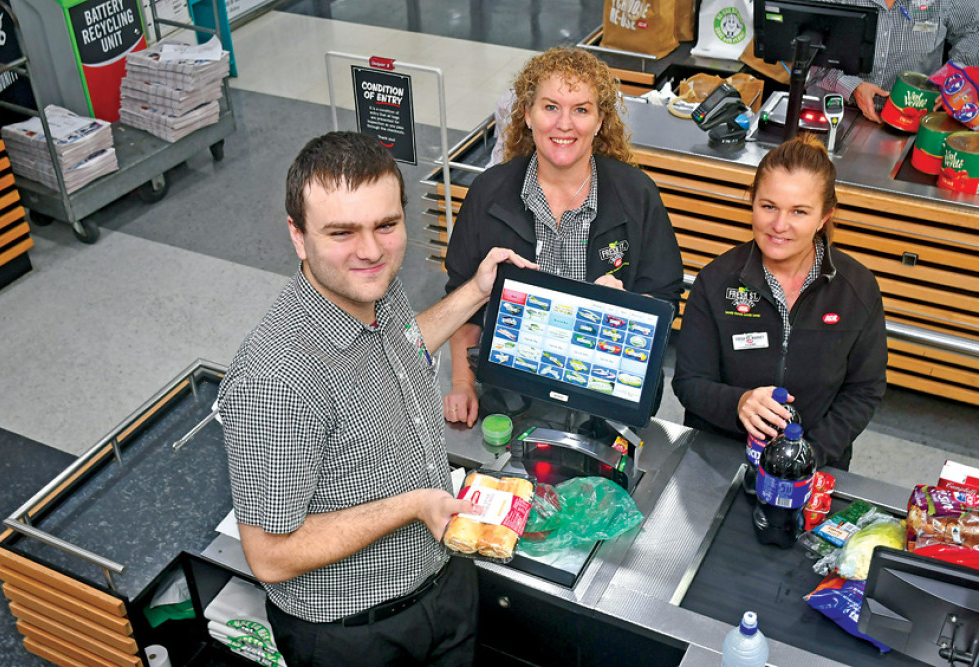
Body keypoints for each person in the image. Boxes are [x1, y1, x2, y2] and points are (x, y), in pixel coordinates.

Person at [217, 131, 536, 666]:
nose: (370, 250)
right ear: (298, 236)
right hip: (356, 635)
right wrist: (413, 506)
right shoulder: (274, 379)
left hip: (443, 582)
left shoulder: (372, 290)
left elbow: (405, 342)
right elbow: (269, 556)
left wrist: (479, 290)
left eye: (386, 225)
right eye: (342, 232)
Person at [443, 46, 683, 427]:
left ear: (601, 120)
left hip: (605, 398)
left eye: (581, 109)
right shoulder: (489, 193)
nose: (564, 124)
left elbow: (665, 298)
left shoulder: (637, 196)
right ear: (527, 113)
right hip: (508, 394)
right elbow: (462, 296)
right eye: (550, 107)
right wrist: (461, 381)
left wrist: (627, 309)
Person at [672, 135, 887, 470]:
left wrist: (807, 456)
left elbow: (863, 389)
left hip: (816, 466)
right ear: (752, 203)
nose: (779, 225)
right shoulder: (715, 282)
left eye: (799, 211)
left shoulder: (857, 289)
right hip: (718, 461)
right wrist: (739, 402)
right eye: (768, 206)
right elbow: (690, 382)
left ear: (824, 217)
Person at [812, 0, 978, 122]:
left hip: (917, 119)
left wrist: (956, 77)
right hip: (835, 112)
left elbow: (973, 29)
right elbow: (804, 49)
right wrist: (852, 86)